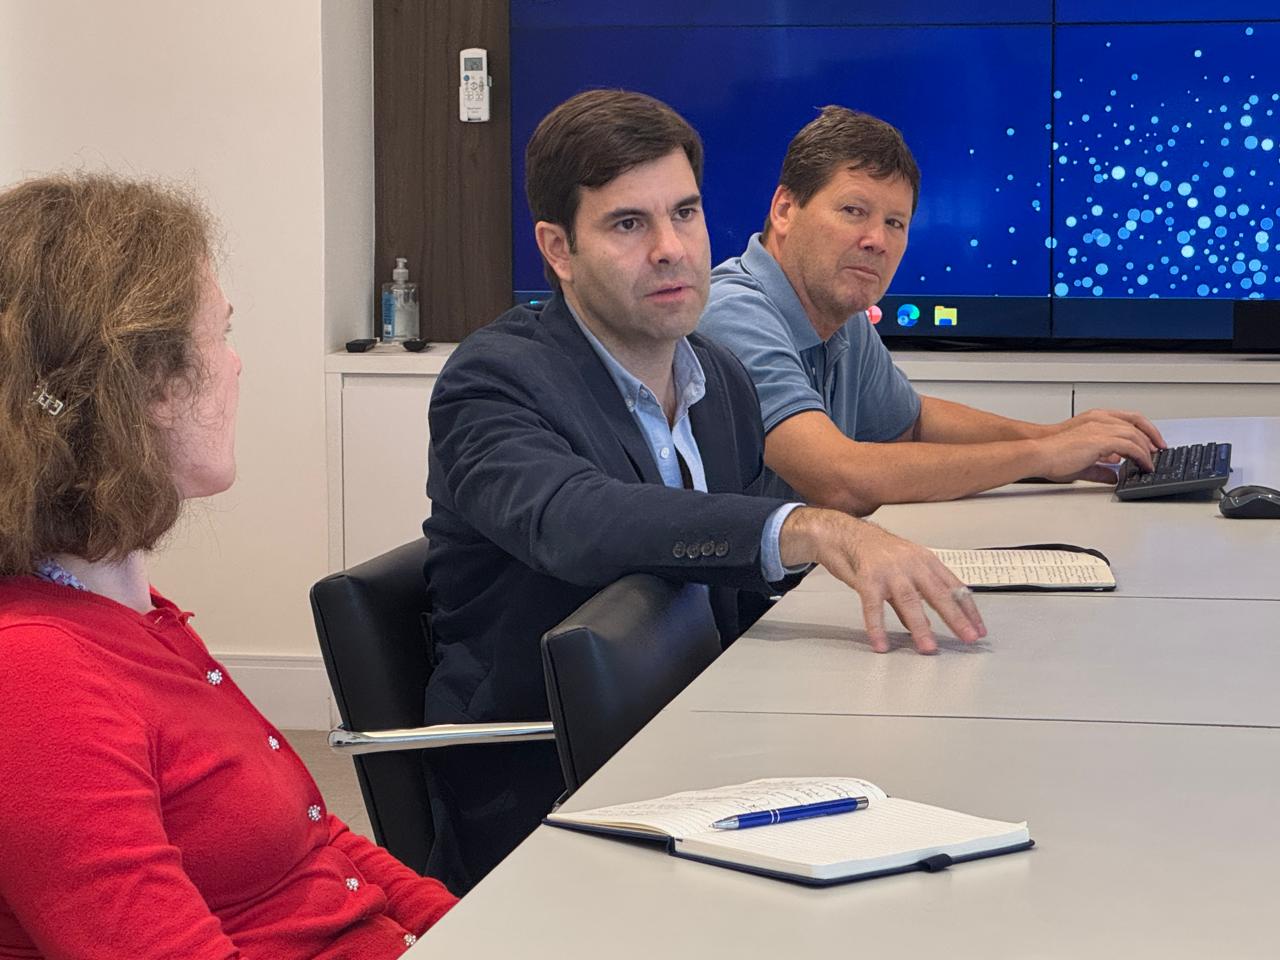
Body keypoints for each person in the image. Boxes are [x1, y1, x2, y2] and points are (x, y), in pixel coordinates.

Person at [422, 90, 987, 894]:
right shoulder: (494, 379)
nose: (671, 249)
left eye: (684, 213)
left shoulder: (716, 378)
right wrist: (816, 527)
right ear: (558, 249)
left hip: (709, 751)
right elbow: (573, 519)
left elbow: (744, 584)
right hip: (554, 789)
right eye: (628, 224)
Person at [0, 174, 455, 958]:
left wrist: (480, 929)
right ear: (149, 385)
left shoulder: (131, 613)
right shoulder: (37, 676)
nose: (236, 364)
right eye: (221, 334)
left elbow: (314, 842)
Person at [700, 106, 1166, 515]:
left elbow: (911, 424)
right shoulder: (733, 312)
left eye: (895, 222)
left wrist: (1056, 438)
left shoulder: (843, 315)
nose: (877, 241)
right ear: (784, 209)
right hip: (747, 593)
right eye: (853, 211)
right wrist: (1042, 456)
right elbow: (840, 478)